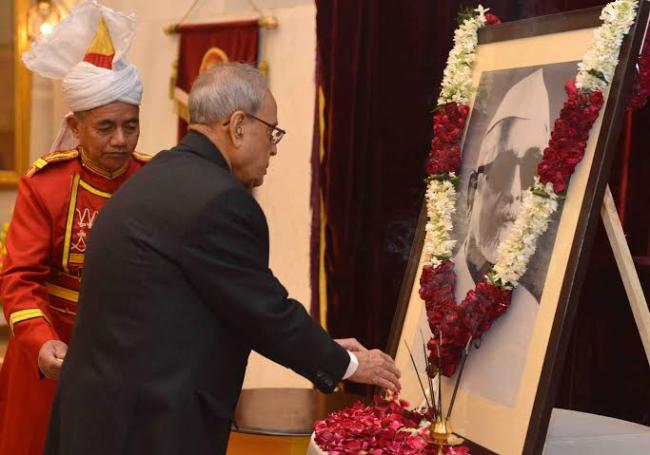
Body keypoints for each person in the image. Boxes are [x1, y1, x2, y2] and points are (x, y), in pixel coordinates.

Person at [45, 62, 401, 455]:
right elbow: (263, 311)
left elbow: (223, 306)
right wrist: (348, 365)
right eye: (272, 132)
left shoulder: (159, 175)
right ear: (238, 126)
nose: (274, 148)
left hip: (99, 417)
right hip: (144, 428)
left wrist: (325, 347)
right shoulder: (220, 200)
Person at [0, 2, 148, 454]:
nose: (120, 140)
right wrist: (41, 342)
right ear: (75, 126)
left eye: (130, 126)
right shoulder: (46, 184)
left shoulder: (153, 182)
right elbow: (19, 278)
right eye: (105, 127)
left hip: (130, 357)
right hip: (51, 356)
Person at [453, 68, 551, 406]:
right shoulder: (439, 289)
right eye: (503, 168)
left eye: (531, 170)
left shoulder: (534, 316)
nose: (515, 191)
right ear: (472, 191)